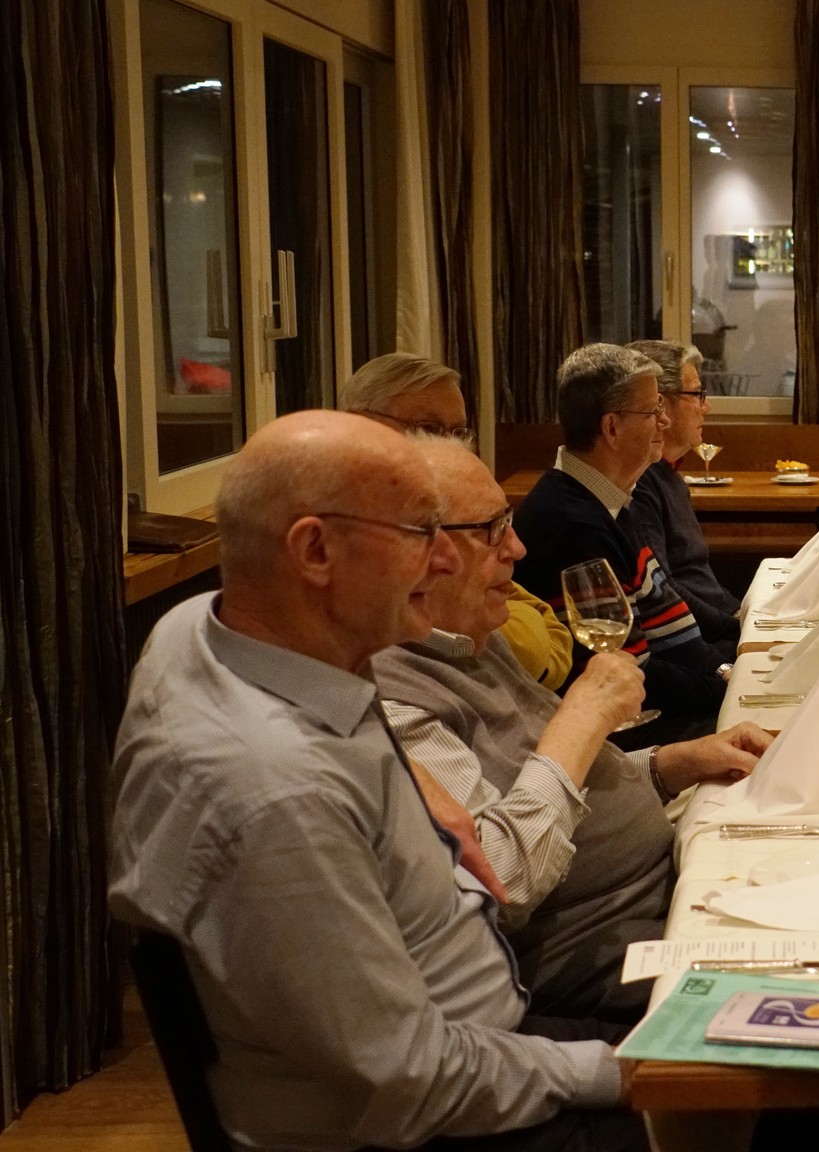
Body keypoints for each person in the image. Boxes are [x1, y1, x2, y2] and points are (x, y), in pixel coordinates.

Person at [109, 412, 648, 1152]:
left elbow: (193, 646)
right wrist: (626, 1074)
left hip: (485, 1036)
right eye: (421, 533)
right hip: (442, 1118)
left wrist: (409, 772)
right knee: (785, 1096)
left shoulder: (208, 634)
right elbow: (410, 1081)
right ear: (315, 550)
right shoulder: (280, 795)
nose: (445, 559)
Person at [375, 438, 770, 1022]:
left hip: (662, 889)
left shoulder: (470, 635)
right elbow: (499, 881)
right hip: (595, 950)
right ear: (414, 551)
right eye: (491, 529)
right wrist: (583, 718)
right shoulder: (391, 700)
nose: (517, 547)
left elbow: (554, 781)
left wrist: (672, 764)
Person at [514, 343, 734, 746]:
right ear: (612, 428)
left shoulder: (611, 500)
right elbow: (629, 672)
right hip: (637, 732)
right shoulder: (572, 524)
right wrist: (728, 692)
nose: (664, 421)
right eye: (652, 411)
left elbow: (667, 616)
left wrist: (724, 671)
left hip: (680, 701)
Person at [340, 351, 573, 688]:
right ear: (360, 424)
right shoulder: (357, 527)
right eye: (429, 429)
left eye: (459, 432)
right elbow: (530, 647)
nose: (450, 445)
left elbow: (541, 618)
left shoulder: (460, 509)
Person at [625, 339, 744, 643]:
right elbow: (665, 590)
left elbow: (699, 580)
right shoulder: (638, 483)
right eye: (697, 394)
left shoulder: (669, 476)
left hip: (717, 625)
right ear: (660, 403)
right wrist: (737, 626)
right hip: (699, 639)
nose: (706, 407)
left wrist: (743, 614)